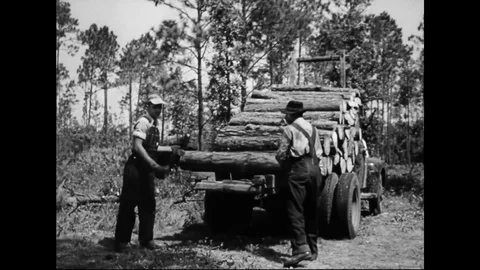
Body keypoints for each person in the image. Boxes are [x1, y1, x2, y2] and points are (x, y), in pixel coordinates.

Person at [114, 93, 182, 252]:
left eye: (160, 107)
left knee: (148, 204)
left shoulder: (156, 124)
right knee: (128, 205)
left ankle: (146, 240)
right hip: (135, 167)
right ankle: (122, 242)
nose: (158, 109)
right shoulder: (143, 122)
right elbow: (137, 146)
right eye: (155, 106)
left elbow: (154, 148)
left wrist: (170, 152)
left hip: (147, 169)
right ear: (149, 107)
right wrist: (154, 164)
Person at [275, 100, 325, 267]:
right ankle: (312, 250)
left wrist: (284, 168)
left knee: (295, 209)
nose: (285, 116)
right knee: (311, 209)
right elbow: (319, 152)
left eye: (287, 114)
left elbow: (281, 154)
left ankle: (300, 250)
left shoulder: (288, 129)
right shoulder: (314, 129)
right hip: (315, 170)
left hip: (299, 170)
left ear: (292, 114)